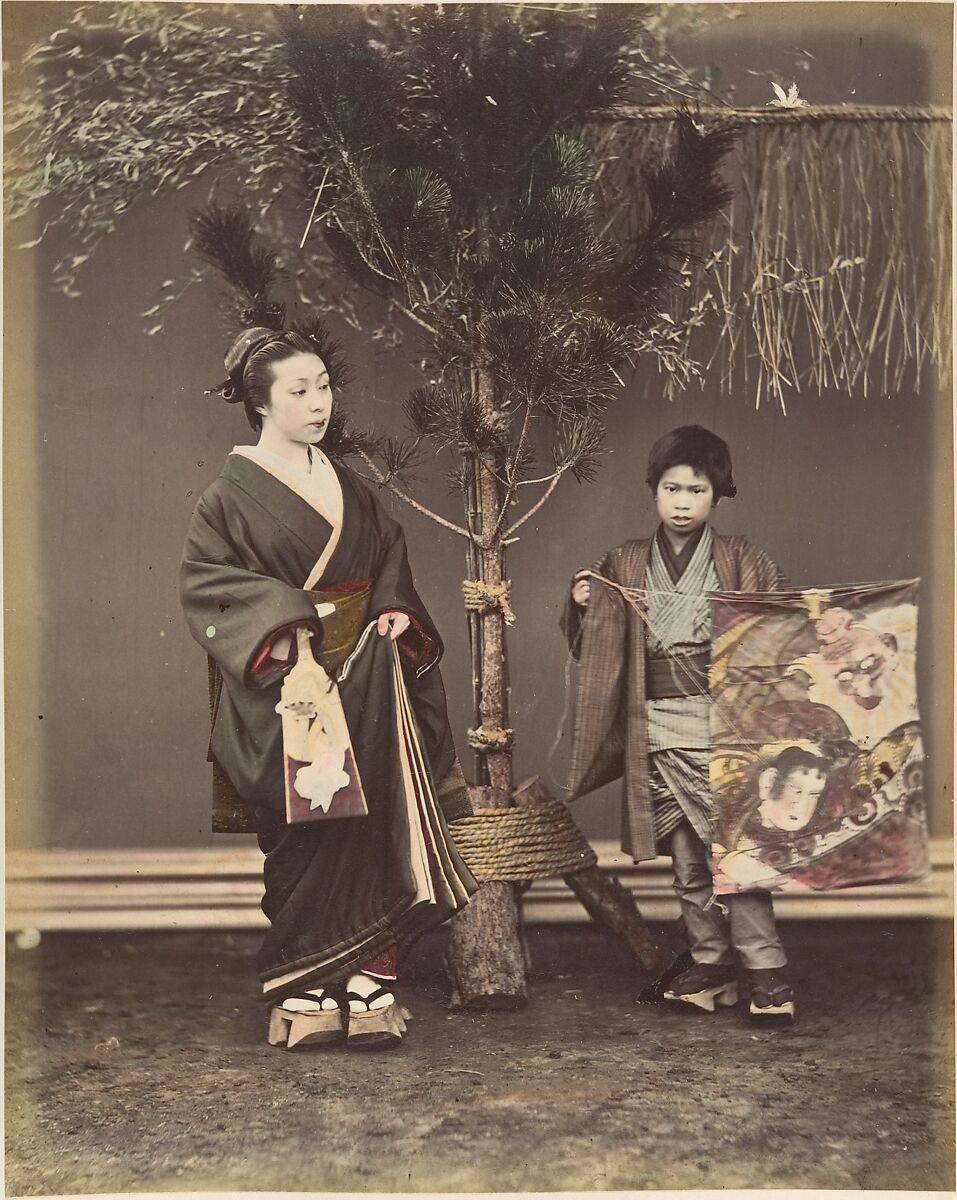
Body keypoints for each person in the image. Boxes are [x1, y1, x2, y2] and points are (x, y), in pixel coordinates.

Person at [180, 326, 476, 1050]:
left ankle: (368, 978)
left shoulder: (344, 483)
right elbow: (209, 583)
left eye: (324, 386)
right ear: (260, 403)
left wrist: (394, 609)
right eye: (299, 390)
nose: (318, 403)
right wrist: (284, 626)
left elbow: (387, 557)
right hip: (290, 676)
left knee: (371, 816)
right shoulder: (226, 498)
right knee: (305, 822)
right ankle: (306, 982)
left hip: (368, 672)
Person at [561, 425, 795, 1023]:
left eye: (697, 489)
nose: (683, 501)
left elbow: (781, 635)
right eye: (671, 488)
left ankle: (766, 968)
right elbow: (596, 638)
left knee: (738, 856)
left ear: (717, 495)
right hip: (658, 727)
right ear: (654, 491)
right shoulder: (626, 561)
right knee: (688, 860)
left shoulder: (744, 558)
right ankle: (712, 959)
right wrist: (584, 600)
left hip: (726, 730)